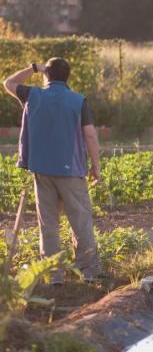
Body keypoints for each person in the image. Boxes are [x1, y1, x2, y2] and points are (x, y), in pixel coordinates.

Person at [3, 58, 102, 284]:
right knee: (80, 221)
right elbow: (90, 135)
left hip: (42, 170)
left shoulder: (33, 95)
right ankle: (87, 271)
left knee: (48, 223)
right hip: (71, 170)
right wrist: (95, 167)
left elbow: (7, 82)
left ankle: (53, 275)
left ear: (46, 74)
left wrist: (32, 68)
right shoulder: (78, 100)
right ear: (68, 76)